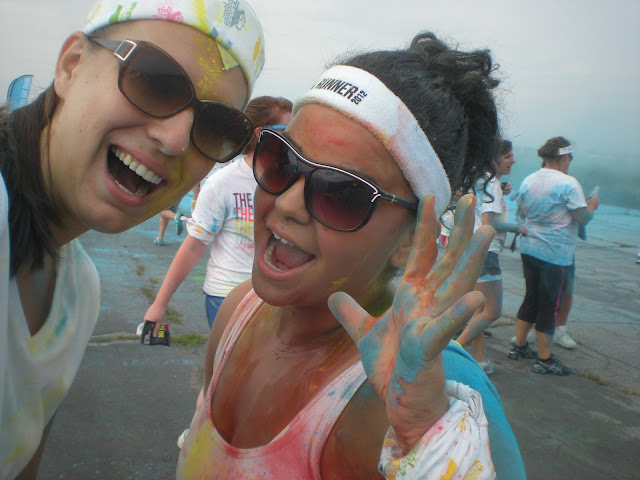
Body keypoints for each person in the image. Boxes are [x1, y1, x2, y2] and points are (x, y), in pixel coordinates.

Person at [176, 32, 526, 479]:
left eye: (341, 192)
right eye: (281, 160)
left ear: (409, 238)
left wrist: (424, 435)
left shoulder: (432, 391)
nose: (285, 203)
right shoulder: (238, 312)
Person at [0, 0, 265, 477]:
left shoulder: (78, 290)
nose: (177, 139)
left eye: (216, 126)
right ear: (72, 65)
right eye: (154, 80)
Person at [509, 137, 599, 376]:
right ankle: (545, 359)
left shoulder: (529, 179)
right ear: (564, 156)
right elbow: (583, 219)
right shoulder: (569, 183)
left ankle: (519, 346)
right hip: (554, 254)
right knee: (549, 305)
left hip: (529, 248)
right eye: (570, 158)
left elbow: (521, 211)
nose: (570, 162)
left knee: (531, 298)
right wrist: (592, 206)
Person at [455, 139, 527, 374]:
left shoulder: (479, 179)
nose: (513, 160)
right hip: (487, 252)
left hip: (471, 249)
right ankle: (454, 349)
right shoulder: (492, 183)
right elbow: (490, 223)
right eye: (508, 156)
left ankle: (479, 360)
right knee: (492, 311)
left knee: (478, 310)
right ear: (494, 158)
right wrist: (518, 228)